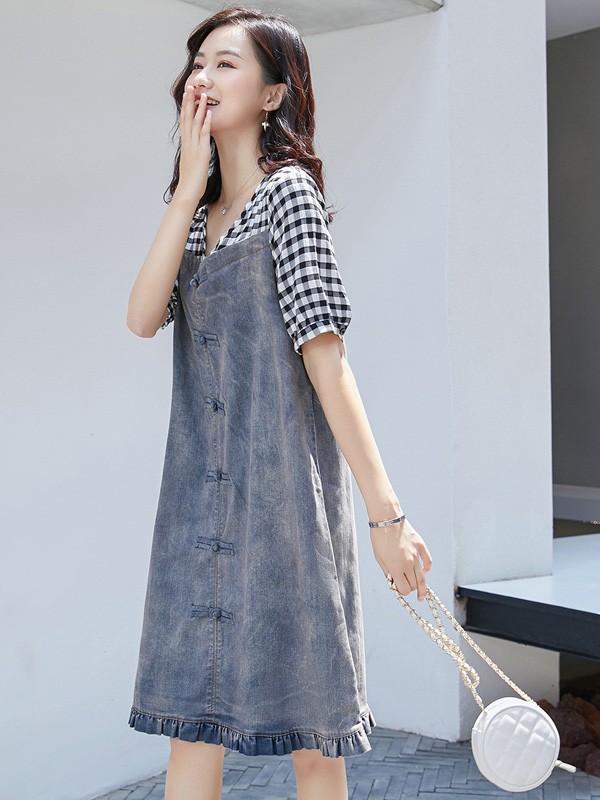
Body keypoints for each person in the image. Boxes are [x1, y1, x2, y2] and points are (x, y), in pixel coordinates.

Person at [126, 6, 433, 800]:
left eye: (225, 63)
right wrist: (188, 187)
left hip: (285, 512)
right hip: (197, 513)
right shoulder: (197, 218)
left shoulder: (289, 197)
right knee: (192, 724)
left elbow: (330, 366)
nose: (202, 77)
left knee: (312, 739)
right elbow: (142, 318)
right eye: (198, 62)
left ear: (272, 94)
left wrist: (388, 519)